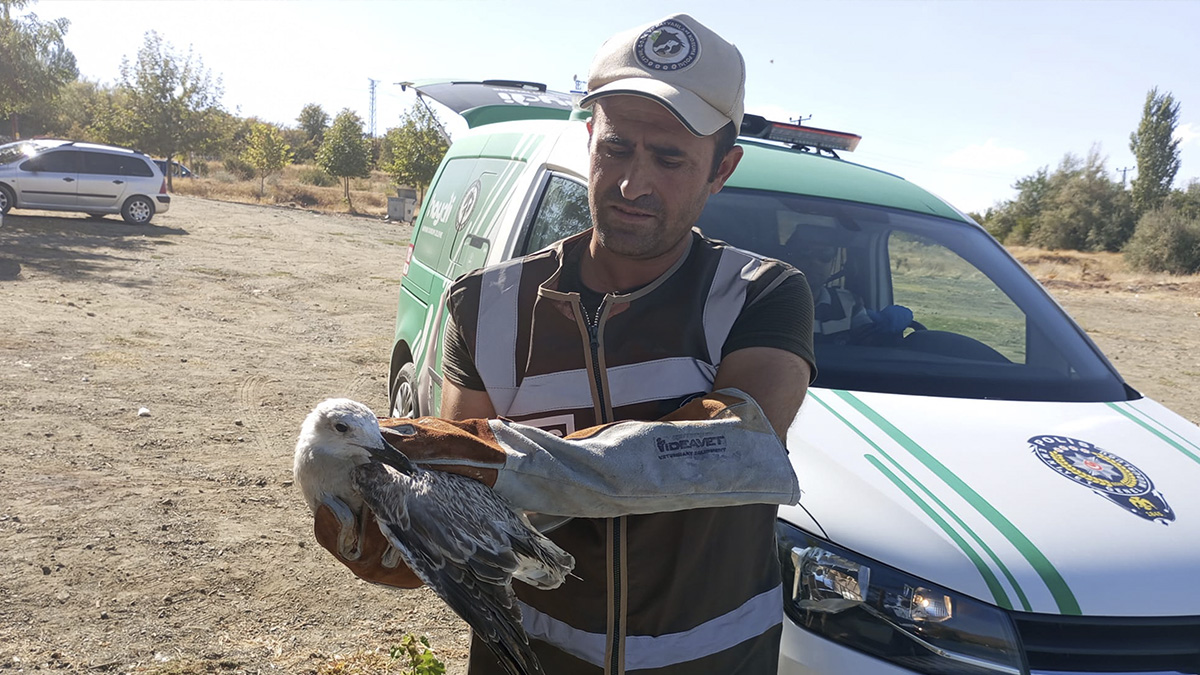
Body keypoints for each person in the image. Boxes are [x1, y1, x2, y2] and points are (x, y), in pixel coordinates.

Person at [313, 14, 816, 674]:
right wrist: (402, 536)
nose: (634, 183)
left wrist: (500, 458)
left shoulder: (760, 294)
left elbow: (727, 450)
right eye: (616, 148)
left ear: (722, 168)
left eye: (669, 158)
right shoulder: (485, 305)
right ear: (588, 140)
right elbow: (465, 500)